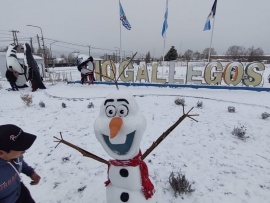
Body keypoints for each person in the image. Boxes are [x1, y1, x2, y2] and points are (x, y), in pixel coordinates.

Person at [0, 124, 41, 203]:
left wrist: (31, 173)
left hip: (21, 192)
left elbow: (20, 163)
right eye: (21, 149)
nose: (24, 151)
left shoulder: (15, 156)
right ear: (1, 153)